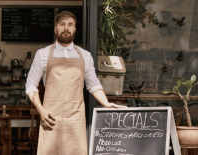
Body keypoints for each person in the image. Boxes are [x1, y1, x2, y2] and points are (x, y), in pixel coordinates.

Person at [26, 11, 127, 155]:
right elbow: (31, 85)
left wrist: (105, 103)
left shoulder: (85, 56)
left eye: (70, 25)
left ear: (74, 30)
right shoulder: (42, 54)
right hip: (50, 118)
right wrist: (41, 110)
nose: (66, 28)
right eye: (62, 24)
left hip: (75, 120)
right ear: (55, 29)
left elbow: (93, 84)